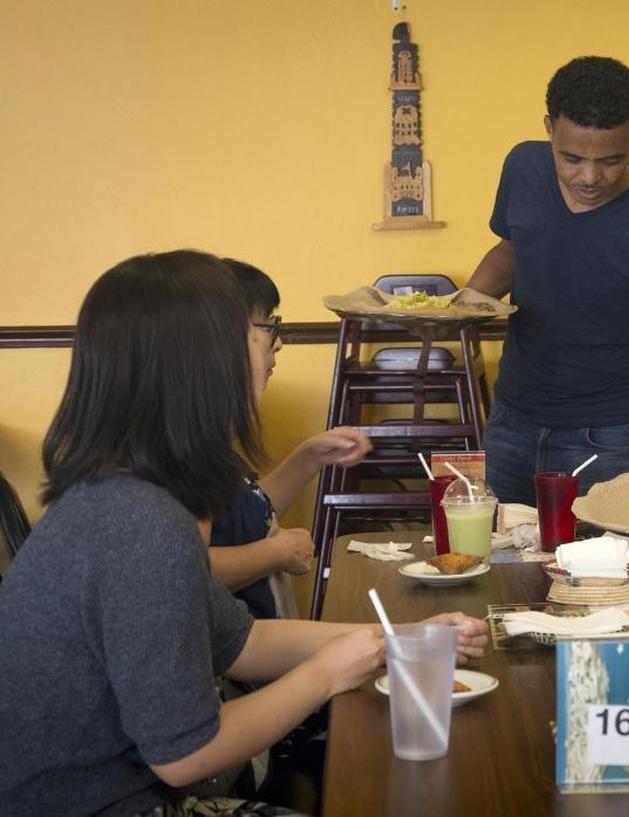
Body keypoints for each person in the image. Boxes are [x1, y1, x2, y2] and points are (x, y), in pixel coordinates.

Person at [0, 251, 487, 817]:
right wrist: (329, 672)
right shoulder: (138, 521)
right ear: (202, 364)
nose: (272, 348)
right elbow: (185, 755)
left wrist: (399, 638)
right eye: (262, 333)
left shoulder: (123, 497)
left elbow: (243, 643)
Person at [467, 56, 629, 505]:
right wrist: (459, 309)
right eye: (571, 158)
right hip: (513, 420)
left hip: (612, 438)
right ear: (549, 127)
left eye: (611, 160)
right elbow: (512, 250)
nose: (589, 177)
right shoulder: (523, 167)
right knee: (504, 566)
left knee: (604, 572)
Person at [209, 258, 371, 620]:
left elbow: (249, 518)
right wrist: (277, 553)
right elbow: (187, 572)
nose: (277, 344)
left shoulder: (214, 436)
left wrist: (308, 457)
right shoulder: (183, 451)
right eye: (269, 325)